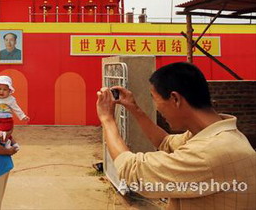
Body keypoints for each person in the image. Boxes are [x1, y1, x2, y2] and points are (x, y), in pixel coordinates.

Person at [96, 62, 255, 209]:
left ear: (175, 99)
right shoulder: (214, 134)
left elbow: (134, 172)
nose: (157, 108)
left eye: (155, 100)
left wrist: (107, 120)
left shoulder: (210, 151)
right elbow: (165, 142)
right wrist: (134, 109)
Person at [0, 75, 30, 150]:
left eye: (5, 90)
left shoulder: (10, 100)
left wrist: (23, 116)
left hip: (6, 121)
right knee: (3, 132)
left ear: (9, 91)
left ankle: (7, 142)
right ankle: (15, 144)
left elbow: (16, 109)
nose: (1, 91)